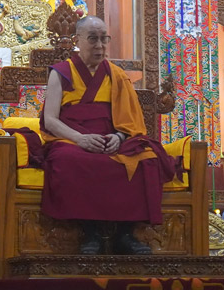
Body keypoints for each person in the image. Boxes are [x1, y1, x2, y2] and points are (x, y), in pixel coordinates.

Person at [39, 15, 179, 255]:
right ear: (77, 40)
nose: (100, 46)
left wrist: (120, 137)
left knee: (146, 158)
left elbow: (130, 121)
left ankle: (125, 234)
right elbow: (50, 120)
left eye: (104, 40)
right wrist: (80, 139)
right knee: (68, 160)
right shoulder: (60, 73)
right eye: (93, 39)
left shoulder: (117, 75)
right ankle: (90, 233)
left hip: (110, 139)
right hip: (73, 139)